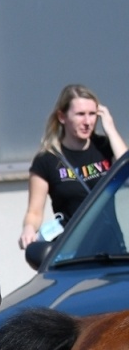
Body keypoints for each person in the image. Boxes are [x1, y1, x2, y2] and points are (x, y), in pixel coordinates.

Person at [20, 84, 126, 265]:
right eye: (80, 114)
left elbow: (126, 167)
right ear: (62, 117)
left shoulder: (105, 147)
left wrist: (110, 128)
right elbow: (34, 211)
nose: (87, 121)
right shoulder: (47, 160)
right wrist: (29, 229)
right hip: (72, 254)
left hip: (112, 249)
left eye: (92, 114)